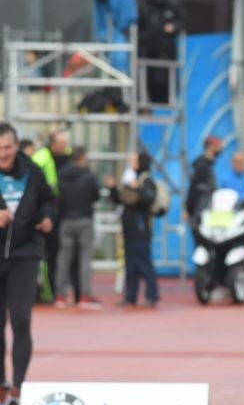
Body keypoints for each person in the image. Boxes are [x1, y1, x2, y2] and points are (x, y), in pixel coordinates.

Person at [0, 123, 56, 405]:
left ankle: (19, 387)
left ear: (17, 146)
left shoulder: (33, 172)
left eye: (8, 148)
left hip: (25, 254)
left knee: (21, 319)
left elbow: (50, 201)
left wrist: (47, 218)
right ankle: (1, 385)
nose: (3, 154)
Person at [106, 151, 160, 307]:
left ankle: (152, 295)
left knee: (143, 263)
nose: (131, 163)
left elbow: (148, 198)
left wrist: (137, 188)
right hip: (129, 229)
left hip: (140, 229)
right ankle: (130, 296)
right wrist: (113, 188)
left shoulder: (145, 180)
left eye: (134, 160)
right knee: (130, 265)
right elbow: (121, 200)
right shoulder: (132, 178)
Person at [55, 147, 102, 309]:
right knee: (85, 259)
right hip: (84, 219)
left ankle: (60, 295)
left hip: (66, 220)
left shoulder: (61, 174)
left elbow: (57, 195)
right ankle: (84, 295)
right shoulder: (88, 176)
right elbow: (96, 195)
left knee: (64, 258)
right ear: (82, 158)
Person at [31, 130, 72, 300]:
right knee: (46, 254)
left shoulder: (68, 156)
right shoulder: (41, 158)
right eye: (62, 144)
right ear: (53, 144)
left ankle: (56, 291)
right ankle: (45, 292)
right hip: (45, 211)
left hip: (62, 212)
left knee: (58, 254)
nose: (65, 147)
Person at [138, 0, 184, 104]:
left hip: (166, 50)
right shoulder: (143, 5)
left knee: (167, 77)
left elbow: (183, 21)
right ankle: (147, 102)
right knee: (148, 78)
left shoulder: (172, 5)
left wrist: (174, 26)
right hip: (148, 50)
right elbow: (137, 27)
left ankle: (169, 100)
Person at [185, 135, 223, 226]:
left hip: (205, 212)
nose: (220, 149)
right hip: (200, 214)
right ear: (210, 147)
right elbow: (194, 189)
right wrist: (188, 210)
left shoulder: (208, 166)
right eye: (217, 146)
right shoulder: (203, 166)